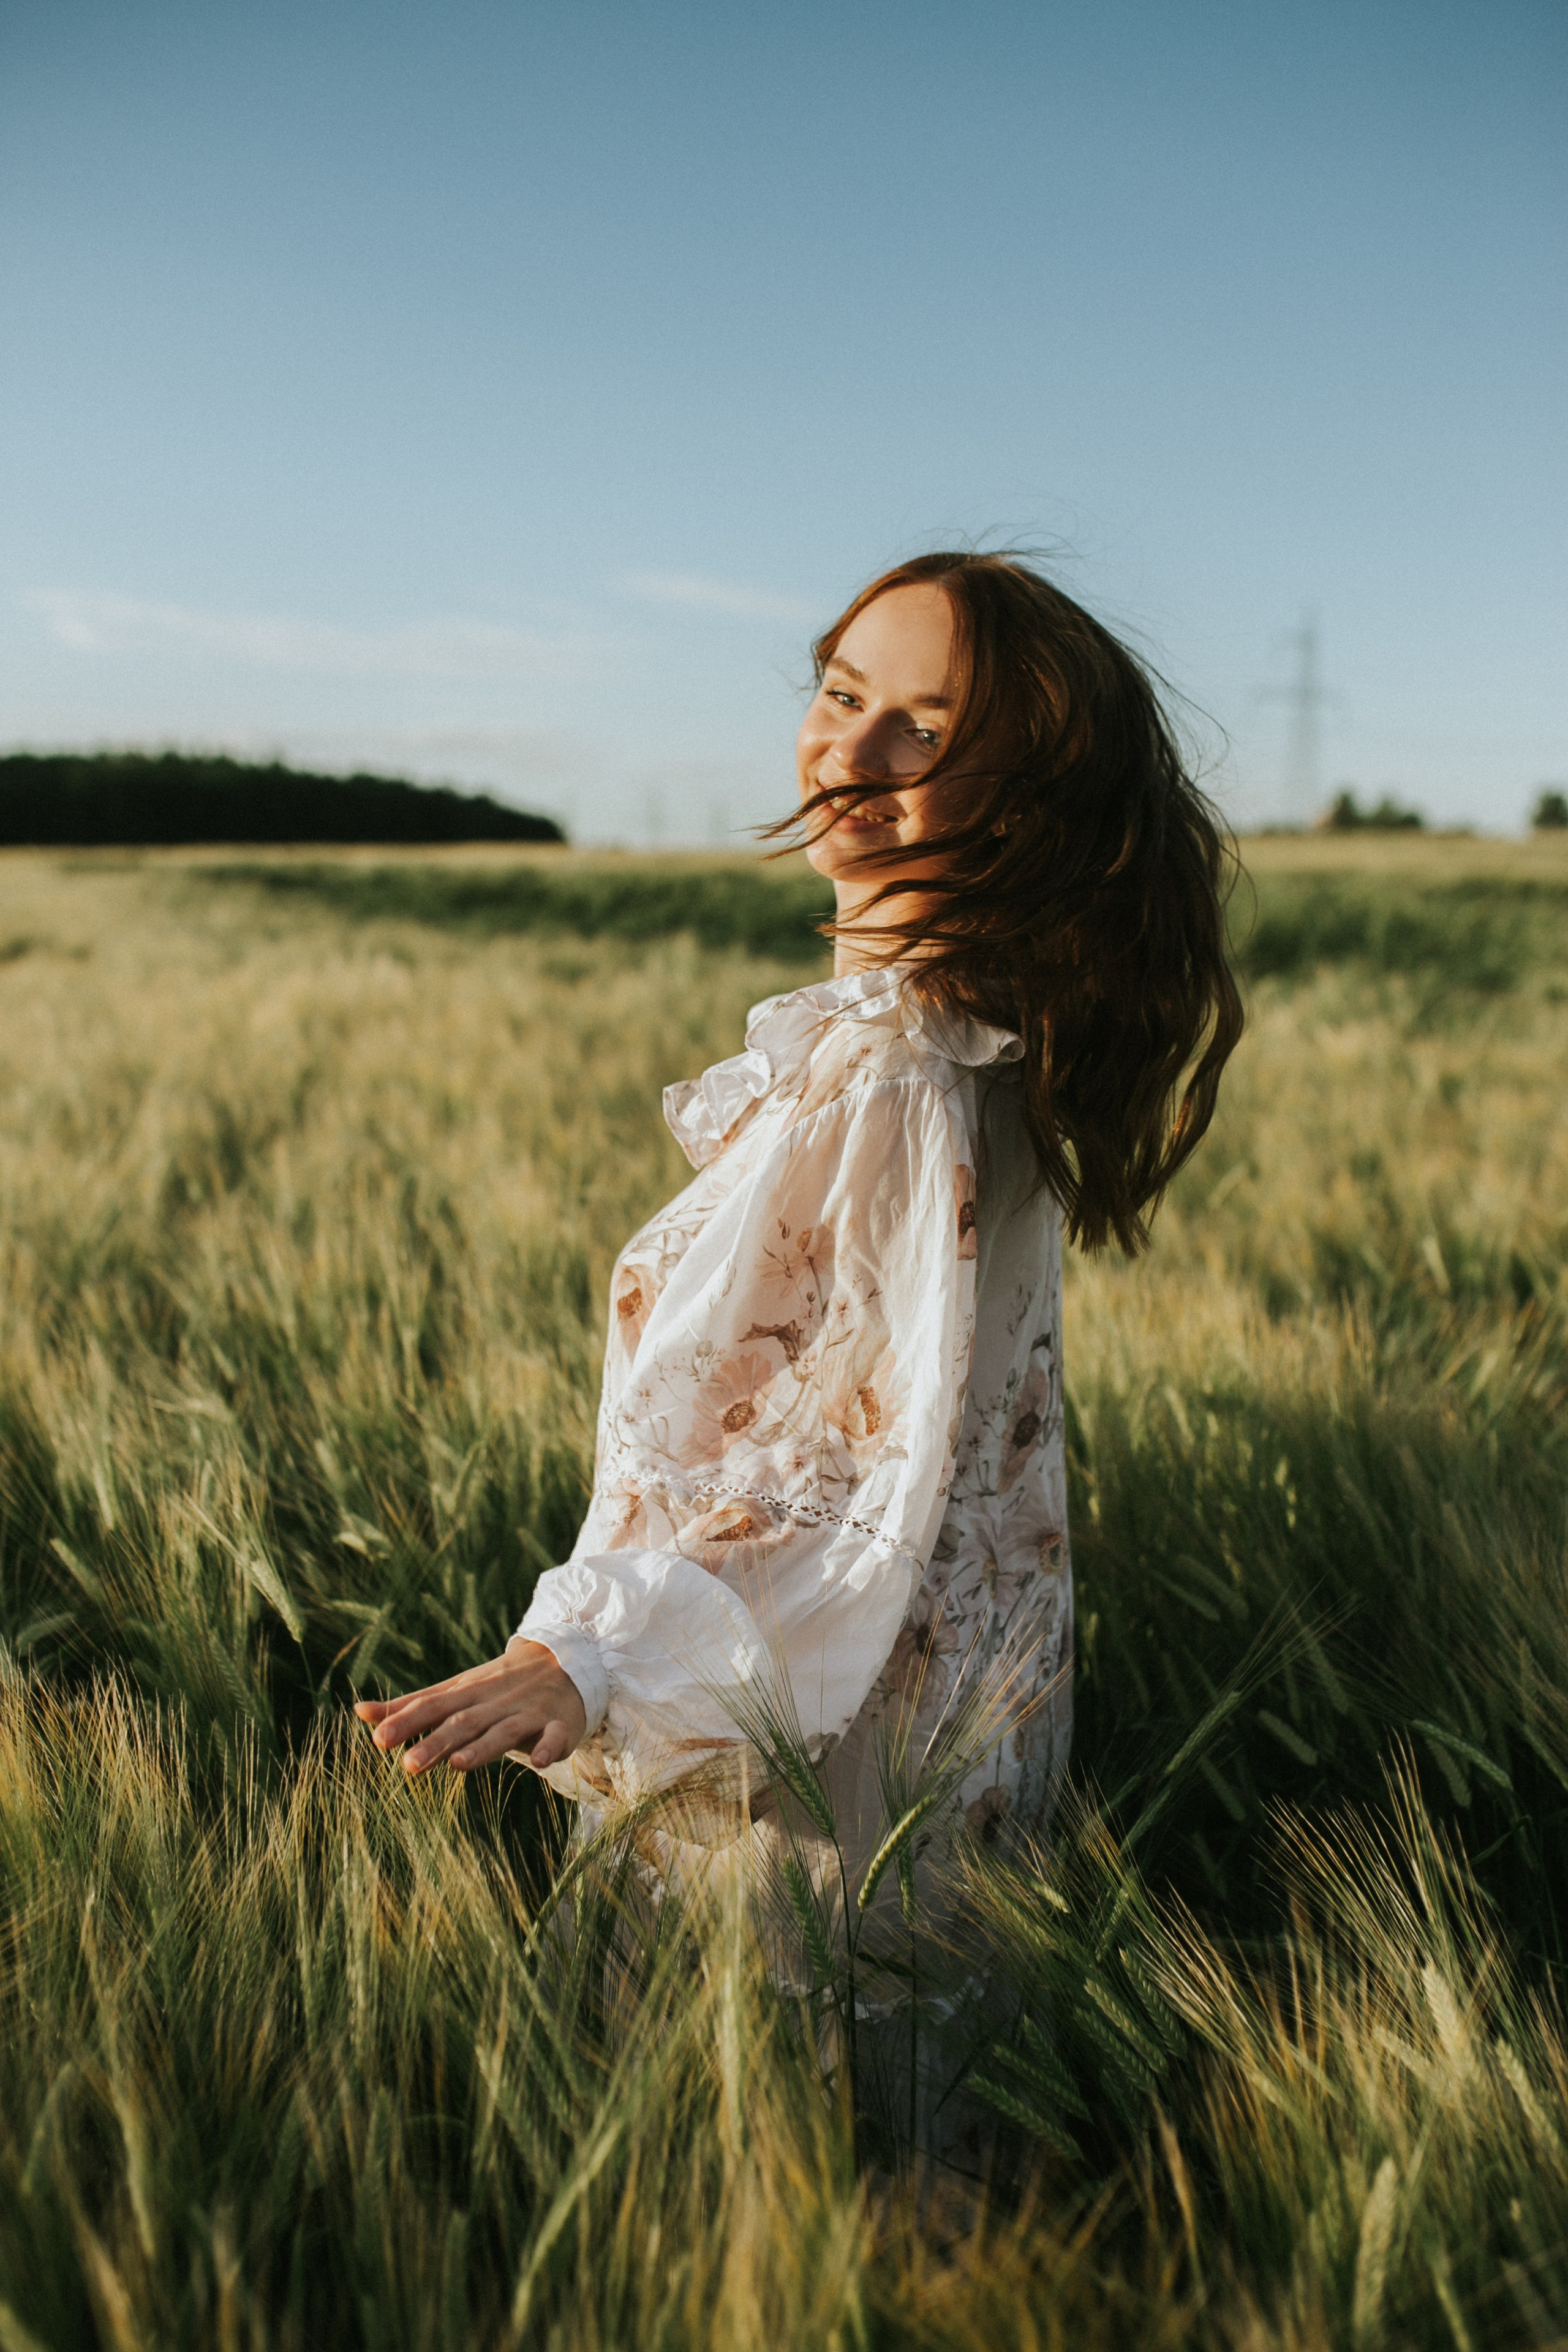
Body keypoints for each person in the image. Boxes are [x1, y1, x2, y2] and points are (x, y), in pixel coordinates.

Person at [354, 552, 1241, 1919]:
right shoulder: (980, 1039)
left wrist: (592, 1658)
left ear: (1024, 804)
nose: (852, 749)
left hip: (821, 1757)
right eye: (842, 693)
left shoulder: (901, 1074)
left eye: (925, 731)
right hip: (935, 1713)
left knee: (777, 2048)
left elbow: (837, 1459)